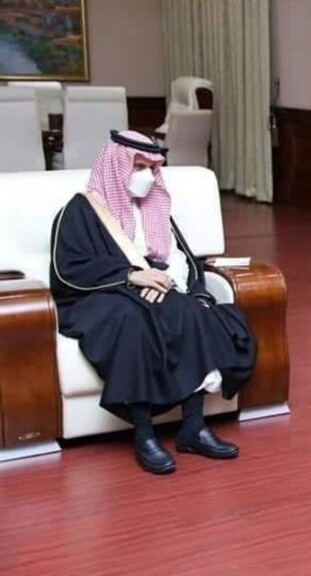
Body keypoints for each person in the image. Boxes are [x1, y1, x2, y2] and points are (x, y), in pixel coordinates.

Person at [50, 130, 257, 475]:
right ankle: (144, 435)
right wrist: (131, 277)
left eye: (151, 167)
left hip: (155, 288)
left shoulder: (155, 207)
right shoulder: (81, 210)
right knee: (132, 319)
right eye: (138, 166)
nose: (146, 175)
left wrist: (166, 281)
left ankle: (193, 428)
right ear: (116, 167)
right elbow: (69, 269)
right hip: (99, 296)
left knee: (191, 312)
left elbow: (178, 257)